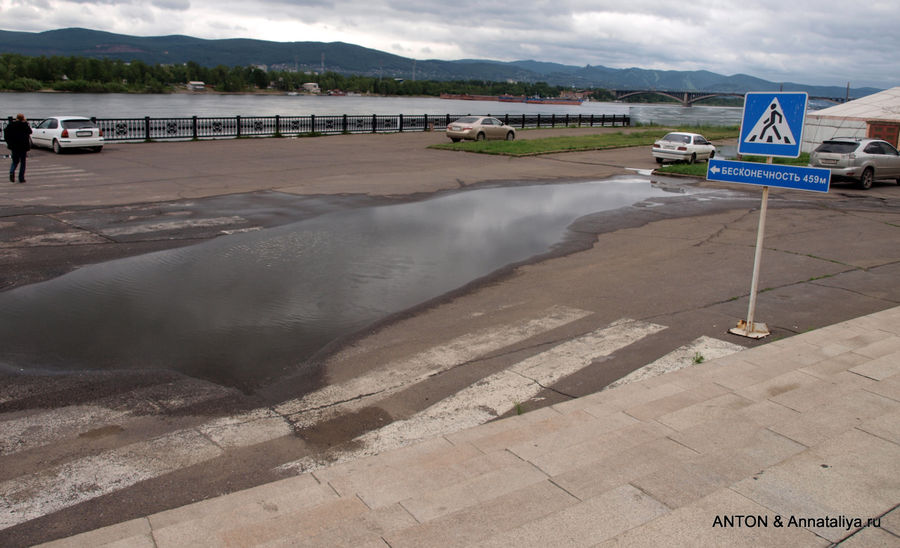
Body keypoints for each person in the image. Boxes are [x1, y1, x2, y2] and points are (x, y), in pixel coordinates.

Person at [5, 113, 33, 183]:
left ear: (16, 118)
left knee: (15, 161)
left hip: (14, 146)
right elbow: (30, 131)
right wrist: (26, 122)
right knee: (23, 162)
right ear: (23, 118)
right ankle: (21, 178)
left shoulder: (11, 125)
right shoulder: (24, 125)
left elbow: (6, 133)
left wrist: (9, 143)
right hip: (23, 146)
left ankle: (12, 171)